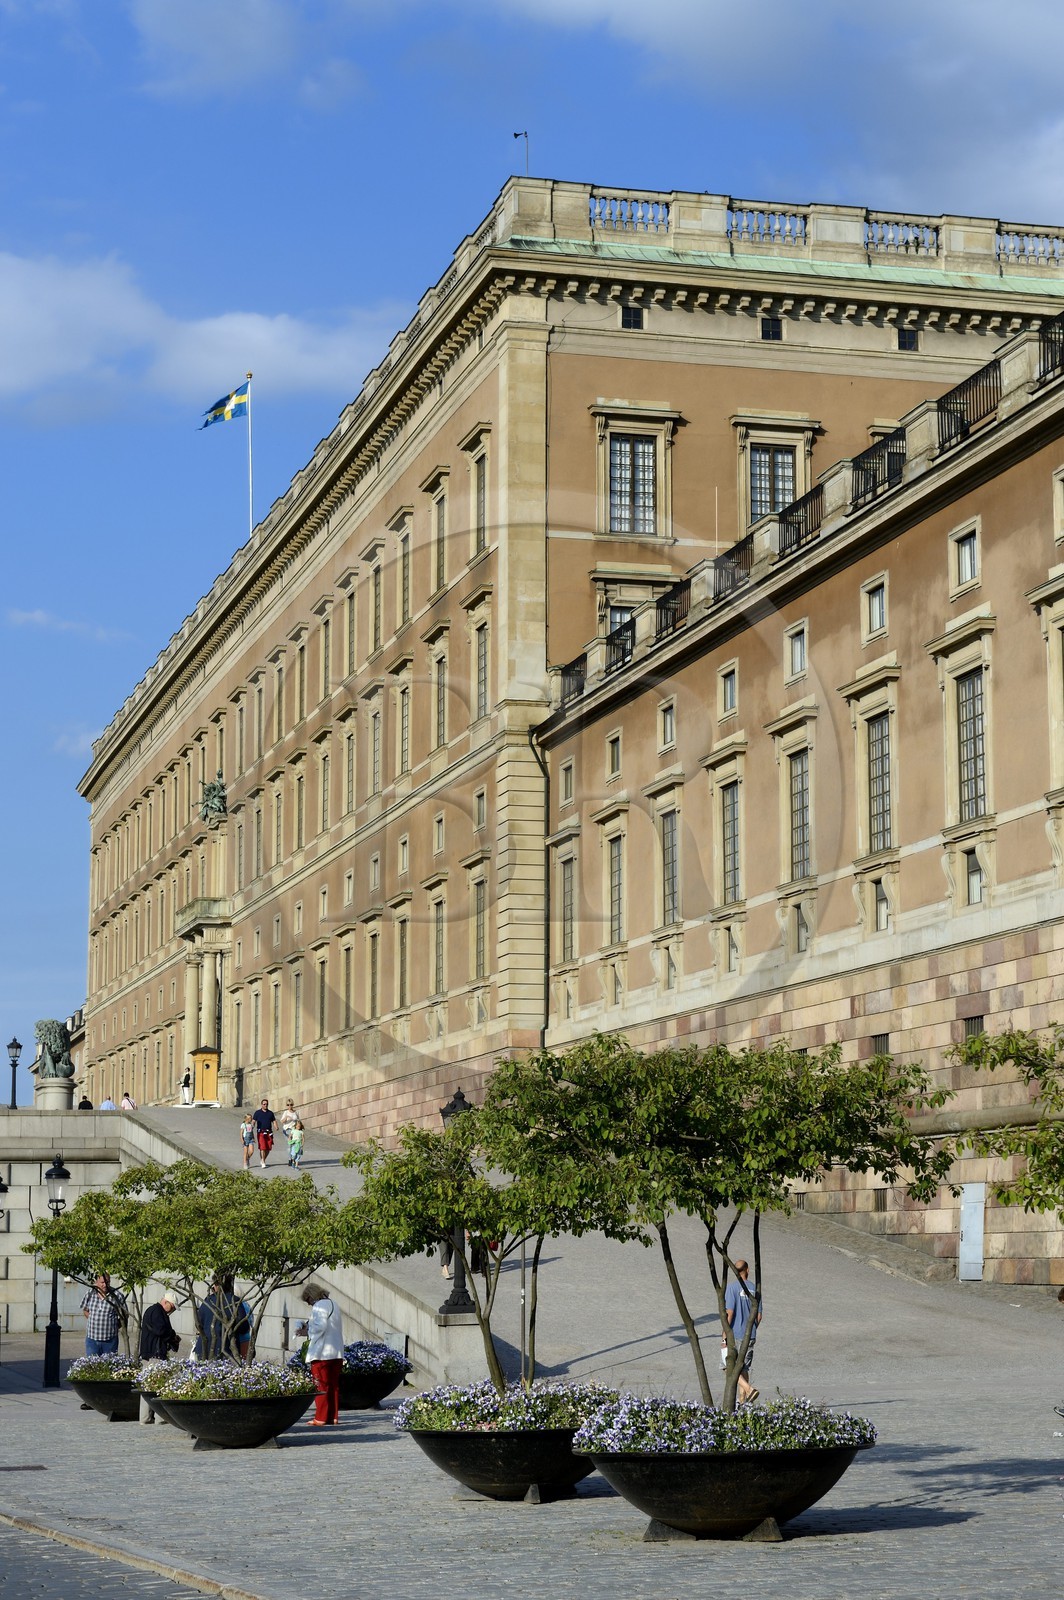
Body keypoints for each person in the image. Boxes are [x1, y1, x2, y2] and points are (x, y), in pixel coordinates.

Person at [298, 1283, 344, 1426]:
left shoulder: (318, 1306)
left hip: (322, 1352)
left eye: (308, 1301)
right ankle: (333, 1416)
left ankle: (321, 1417)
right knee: (333, 1385)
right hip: (336, 1351)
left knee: (321, 1385)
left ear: (311, 1296)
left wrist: (307, 1329)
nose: (309, 1304)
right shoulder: (334, 1304)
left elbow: (320, 1327)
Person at [138, 1293, 180, 1425]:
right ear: (166, 1303)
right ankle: (159, 1418)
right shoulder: (157, 1312)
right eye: (172, 1307)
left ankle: (145, 1418)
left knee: (149, 1386)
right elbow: (161, 1331)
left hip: (150, 1353)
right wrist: (172, 1336)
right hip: (154, 1354)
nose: (172, 1311)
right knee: (158, 1386)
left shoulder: (154, 1310)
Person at [724, 1259, 762, 1405]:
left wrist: (724, 1336)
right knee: (744, 1367)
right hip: (750, 1335)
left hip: (735, 1334)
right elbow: (759, 1316)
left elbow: (730, 1313)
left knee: (728, 1366)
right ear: (747, 1270)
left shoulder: (732, 1288)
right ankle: (743, 1402)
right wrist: (752, 1329)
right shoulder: (755, 1289)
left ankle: (749, 1389)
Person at [195, 1278, 251, 1361]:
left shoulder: (207, 1300)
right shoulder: (234, 1301)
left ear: (215, 1285)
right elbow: (243, 1327)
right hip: (227, 1349)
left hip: (204, 1348)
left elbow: (199, 1324)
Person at [80, 1272, 127, 1356]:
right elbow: (85, 1309)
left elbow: (125, 1314)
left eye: (107, 1282)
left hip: (110, 1340)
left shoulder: (117, 1296)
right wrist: (92, 1318)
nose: (105, 1285)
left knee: (109, 1366)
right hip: (92, 1339)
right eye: (102, 1282)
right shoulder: (90, 1293)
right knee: (92, 1366)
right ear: (96, 1282)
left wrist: (115, 1326)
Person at [253, 1098, 278, 1168]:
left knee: (268, 1147)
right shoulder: (257, 1112)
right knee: (262, 1147)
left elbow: (274, 1121)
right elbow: (253, 1120)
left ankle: (262, 1159)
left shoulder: (270, 1113)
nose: (265, 1105)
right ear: (261, 1105)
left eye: (267, 1104)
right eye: (264, 1104)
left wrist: (276, 1126)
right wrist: (252, 1125)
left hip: (269, 1132)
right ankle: (263, 1162)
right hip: (261, 1132)